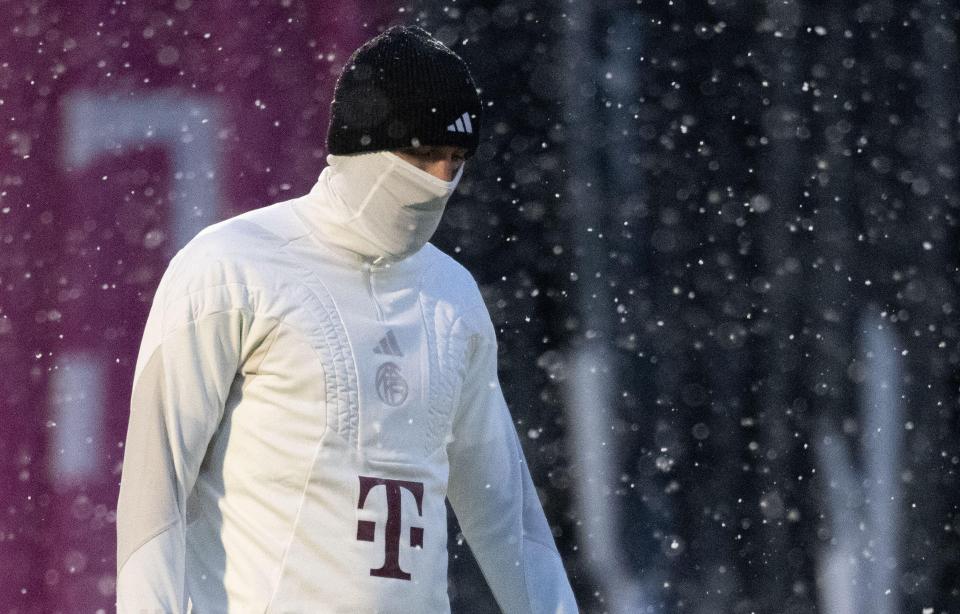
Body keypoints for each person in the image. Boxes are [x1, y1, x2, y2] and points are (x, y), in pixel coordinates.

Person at [116, 25, 578, 613]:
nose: (440, 180)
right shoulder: (230, 267)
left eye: (456, 159)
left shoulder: (452, 297)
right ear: (362, 146)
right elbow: (154, 499)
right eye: (421, 153)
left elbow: (507, 516)